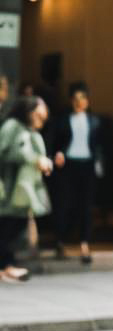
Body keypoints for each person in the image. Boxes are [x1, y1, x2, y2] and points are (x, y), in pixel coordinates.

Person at [0, 96, 53, 283]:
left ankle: (7, 265)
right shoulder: (12, 127)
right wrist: (33, 159)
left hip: (22, 190)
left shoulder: (27, 130)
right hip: (8, 188)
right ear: (29, 112)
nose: (40, 120)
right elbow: (5, 152)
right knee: (8, 226)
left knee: (14, 226)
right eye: (38, 115)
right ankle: (6, 266)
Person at [51, 82, 104, 265]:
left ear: (87, 101)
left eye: (82, 99)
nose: (78, 102)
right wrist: (57, 154)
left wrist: (99, 163)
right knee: (65, 203)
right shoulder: (63, 120)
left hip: (87, 165)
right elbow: (55, 142)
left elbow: (98, 146)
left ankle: (85, 244)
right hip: (68, 164)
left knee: (86, 206)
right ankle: (60, 241)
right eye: (75, 99)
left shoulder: (94, 121)